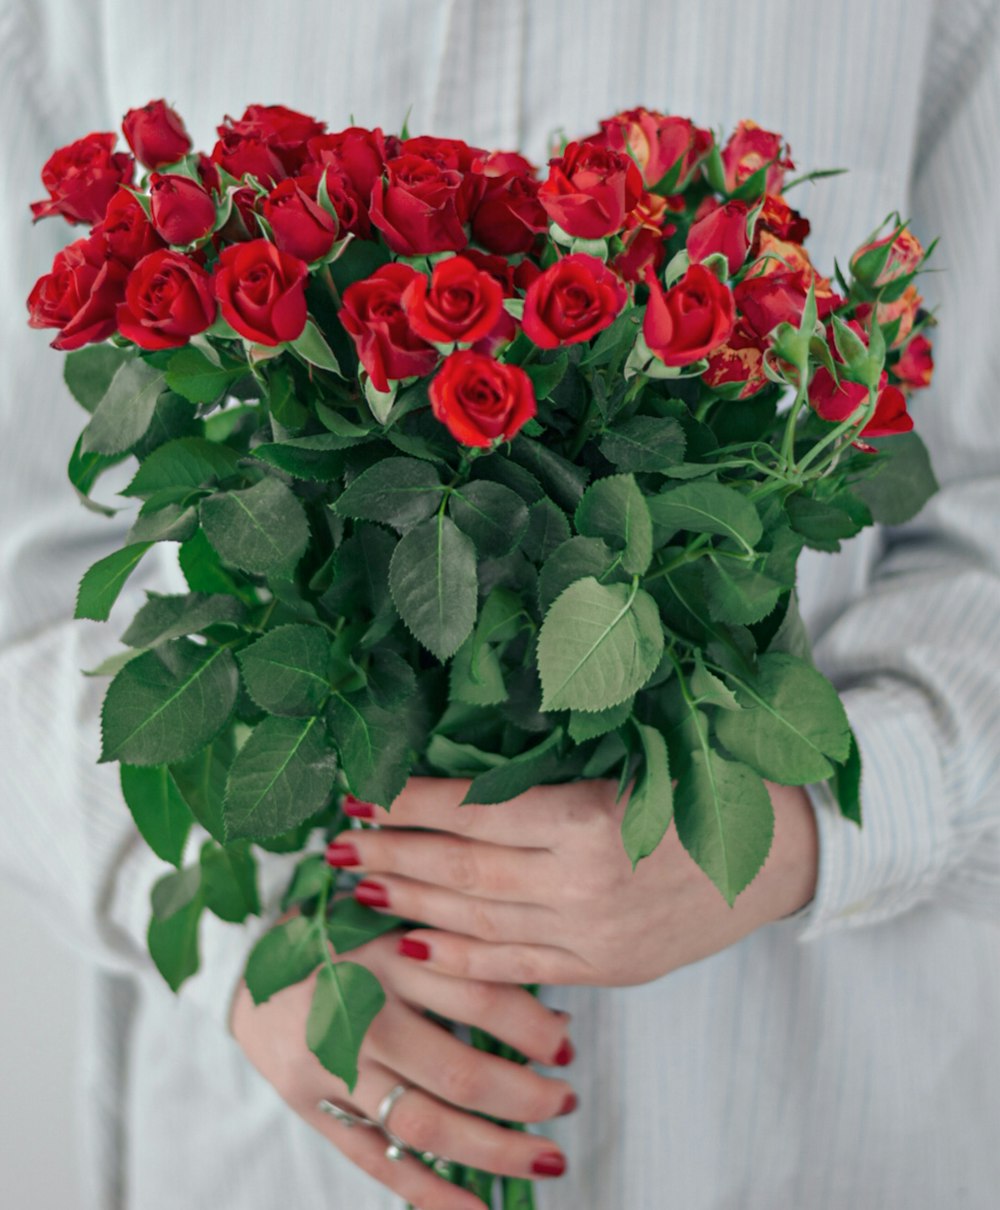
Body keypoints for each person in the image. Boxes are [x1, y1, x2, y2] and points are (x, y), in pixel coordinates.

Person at [3, 0, 999, 1206]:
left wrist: (795, 834)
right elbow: (23, 581)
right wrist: (251, 941)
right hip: (284, 1137)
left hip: (780, 1113)